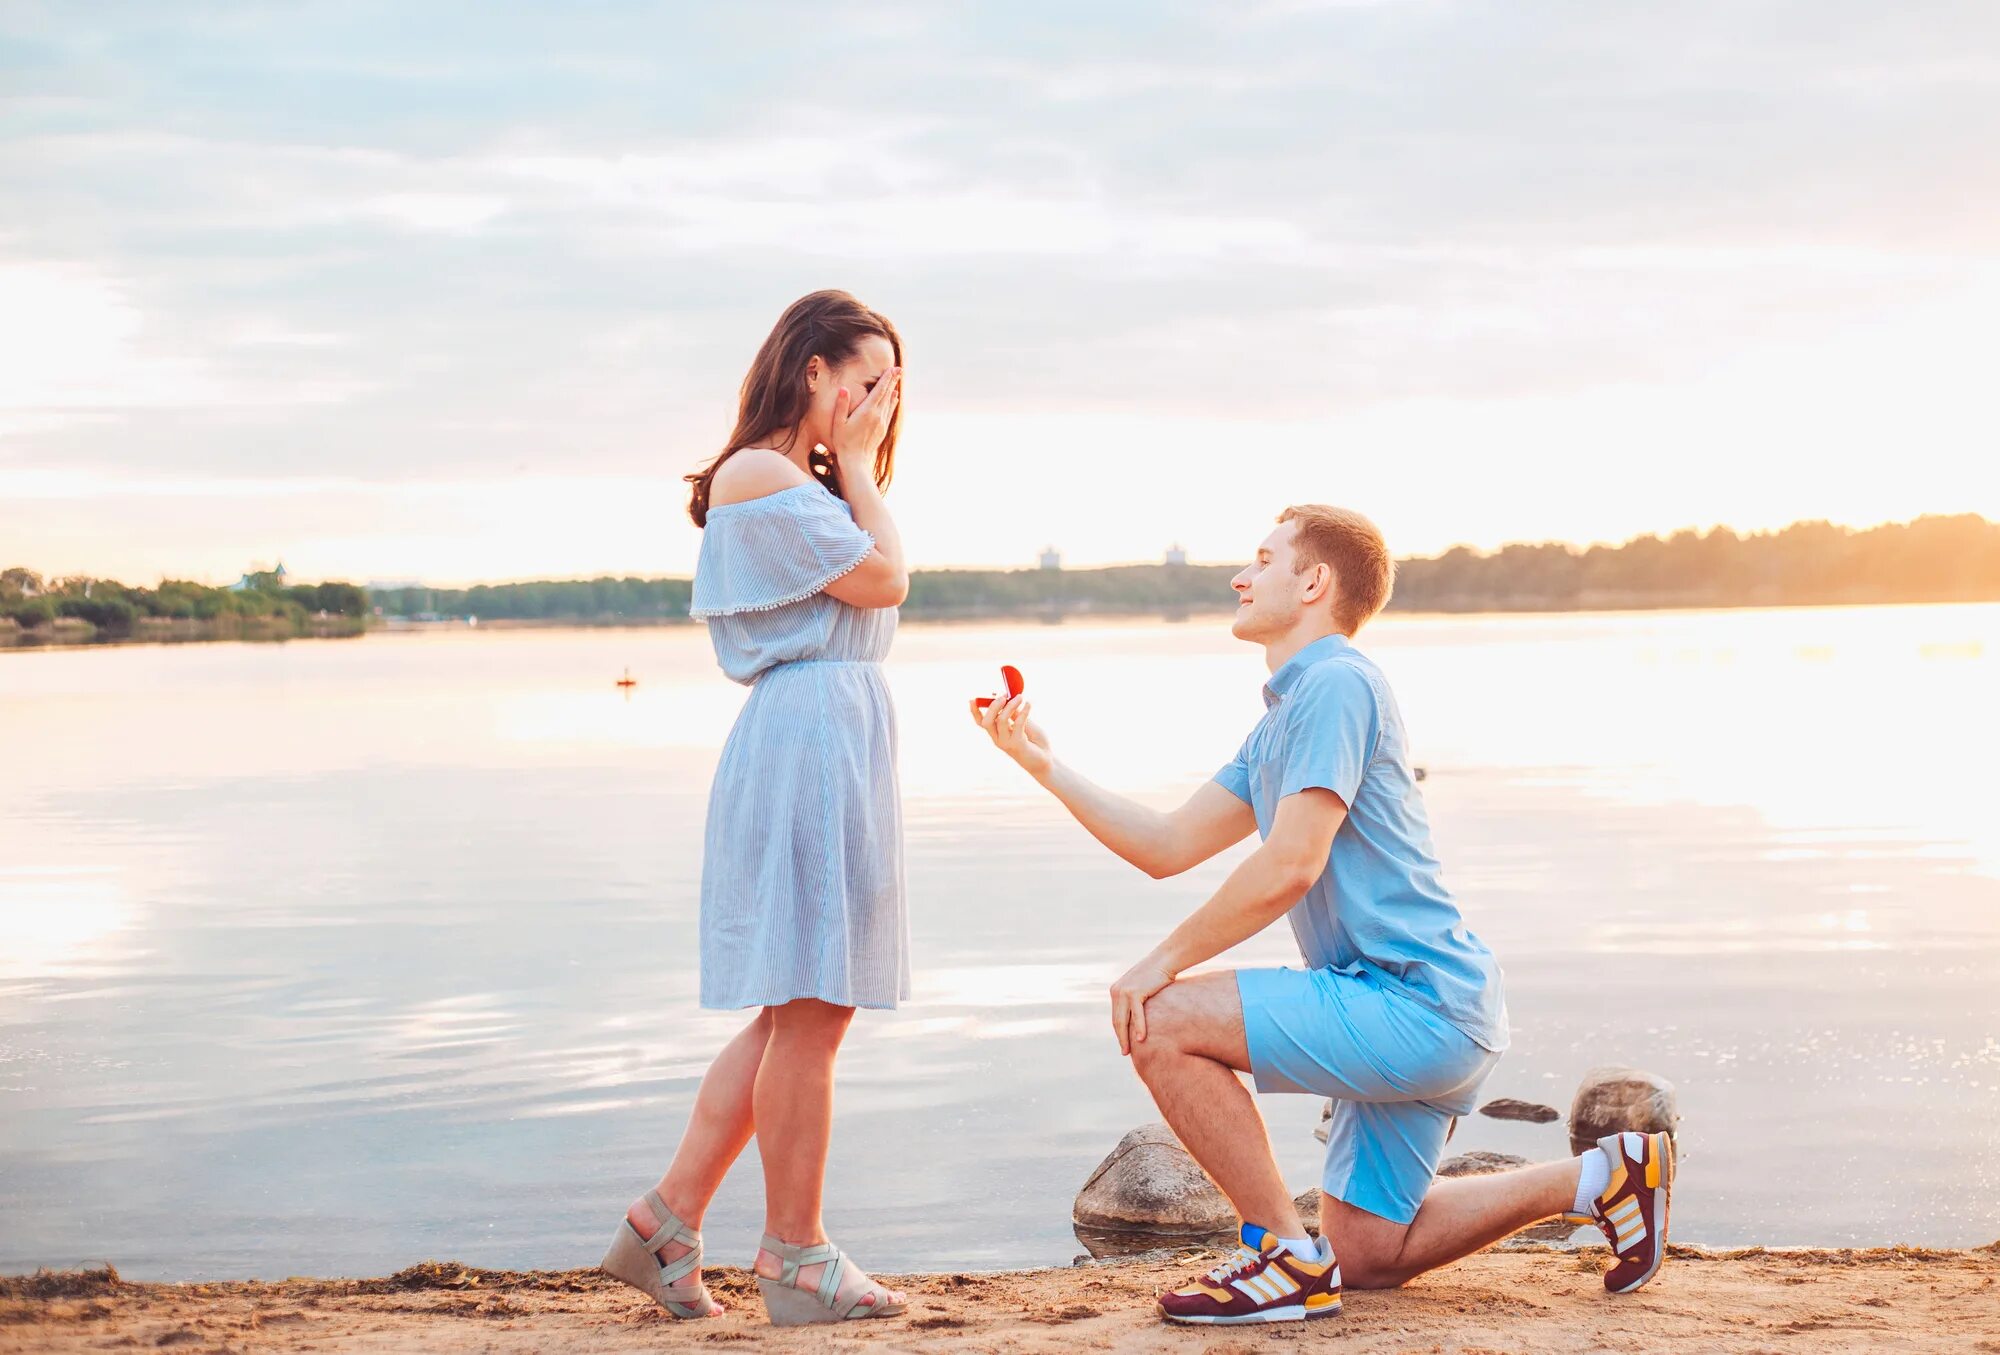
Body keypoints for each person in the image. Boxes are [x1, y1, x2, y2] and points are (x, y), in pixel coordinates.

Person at [972, 504, 1674, 1326]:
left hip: (1418, 1004)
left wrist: (1157, 963)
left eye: (1262, 559)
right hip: (1419, 1008)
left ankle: (1282, 1253)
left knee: (1157, 1018)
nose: (1240, 575)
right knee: (1370, 1253)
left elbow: (1293, 863)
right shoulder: (1284, 720)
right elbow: (1164, 844)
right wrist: (1042, 764)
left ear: (1314, 581)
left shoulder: (1338, 683)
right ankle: (1607, 1176)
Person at [600, 290, 912, 1327]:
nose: (879, 403)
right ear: (811, 369)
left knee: (797, 1006)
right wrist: (862, 471)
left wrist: (855, 469)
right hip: (807, 741)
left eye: (891, 388)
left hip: (829, 732)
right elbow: (883, 580)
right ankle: (795, 1253)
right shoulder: (762, 473)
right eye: (865, 380)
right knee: (814, 1006)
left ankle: (665, 1222)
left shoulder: (792, 481)